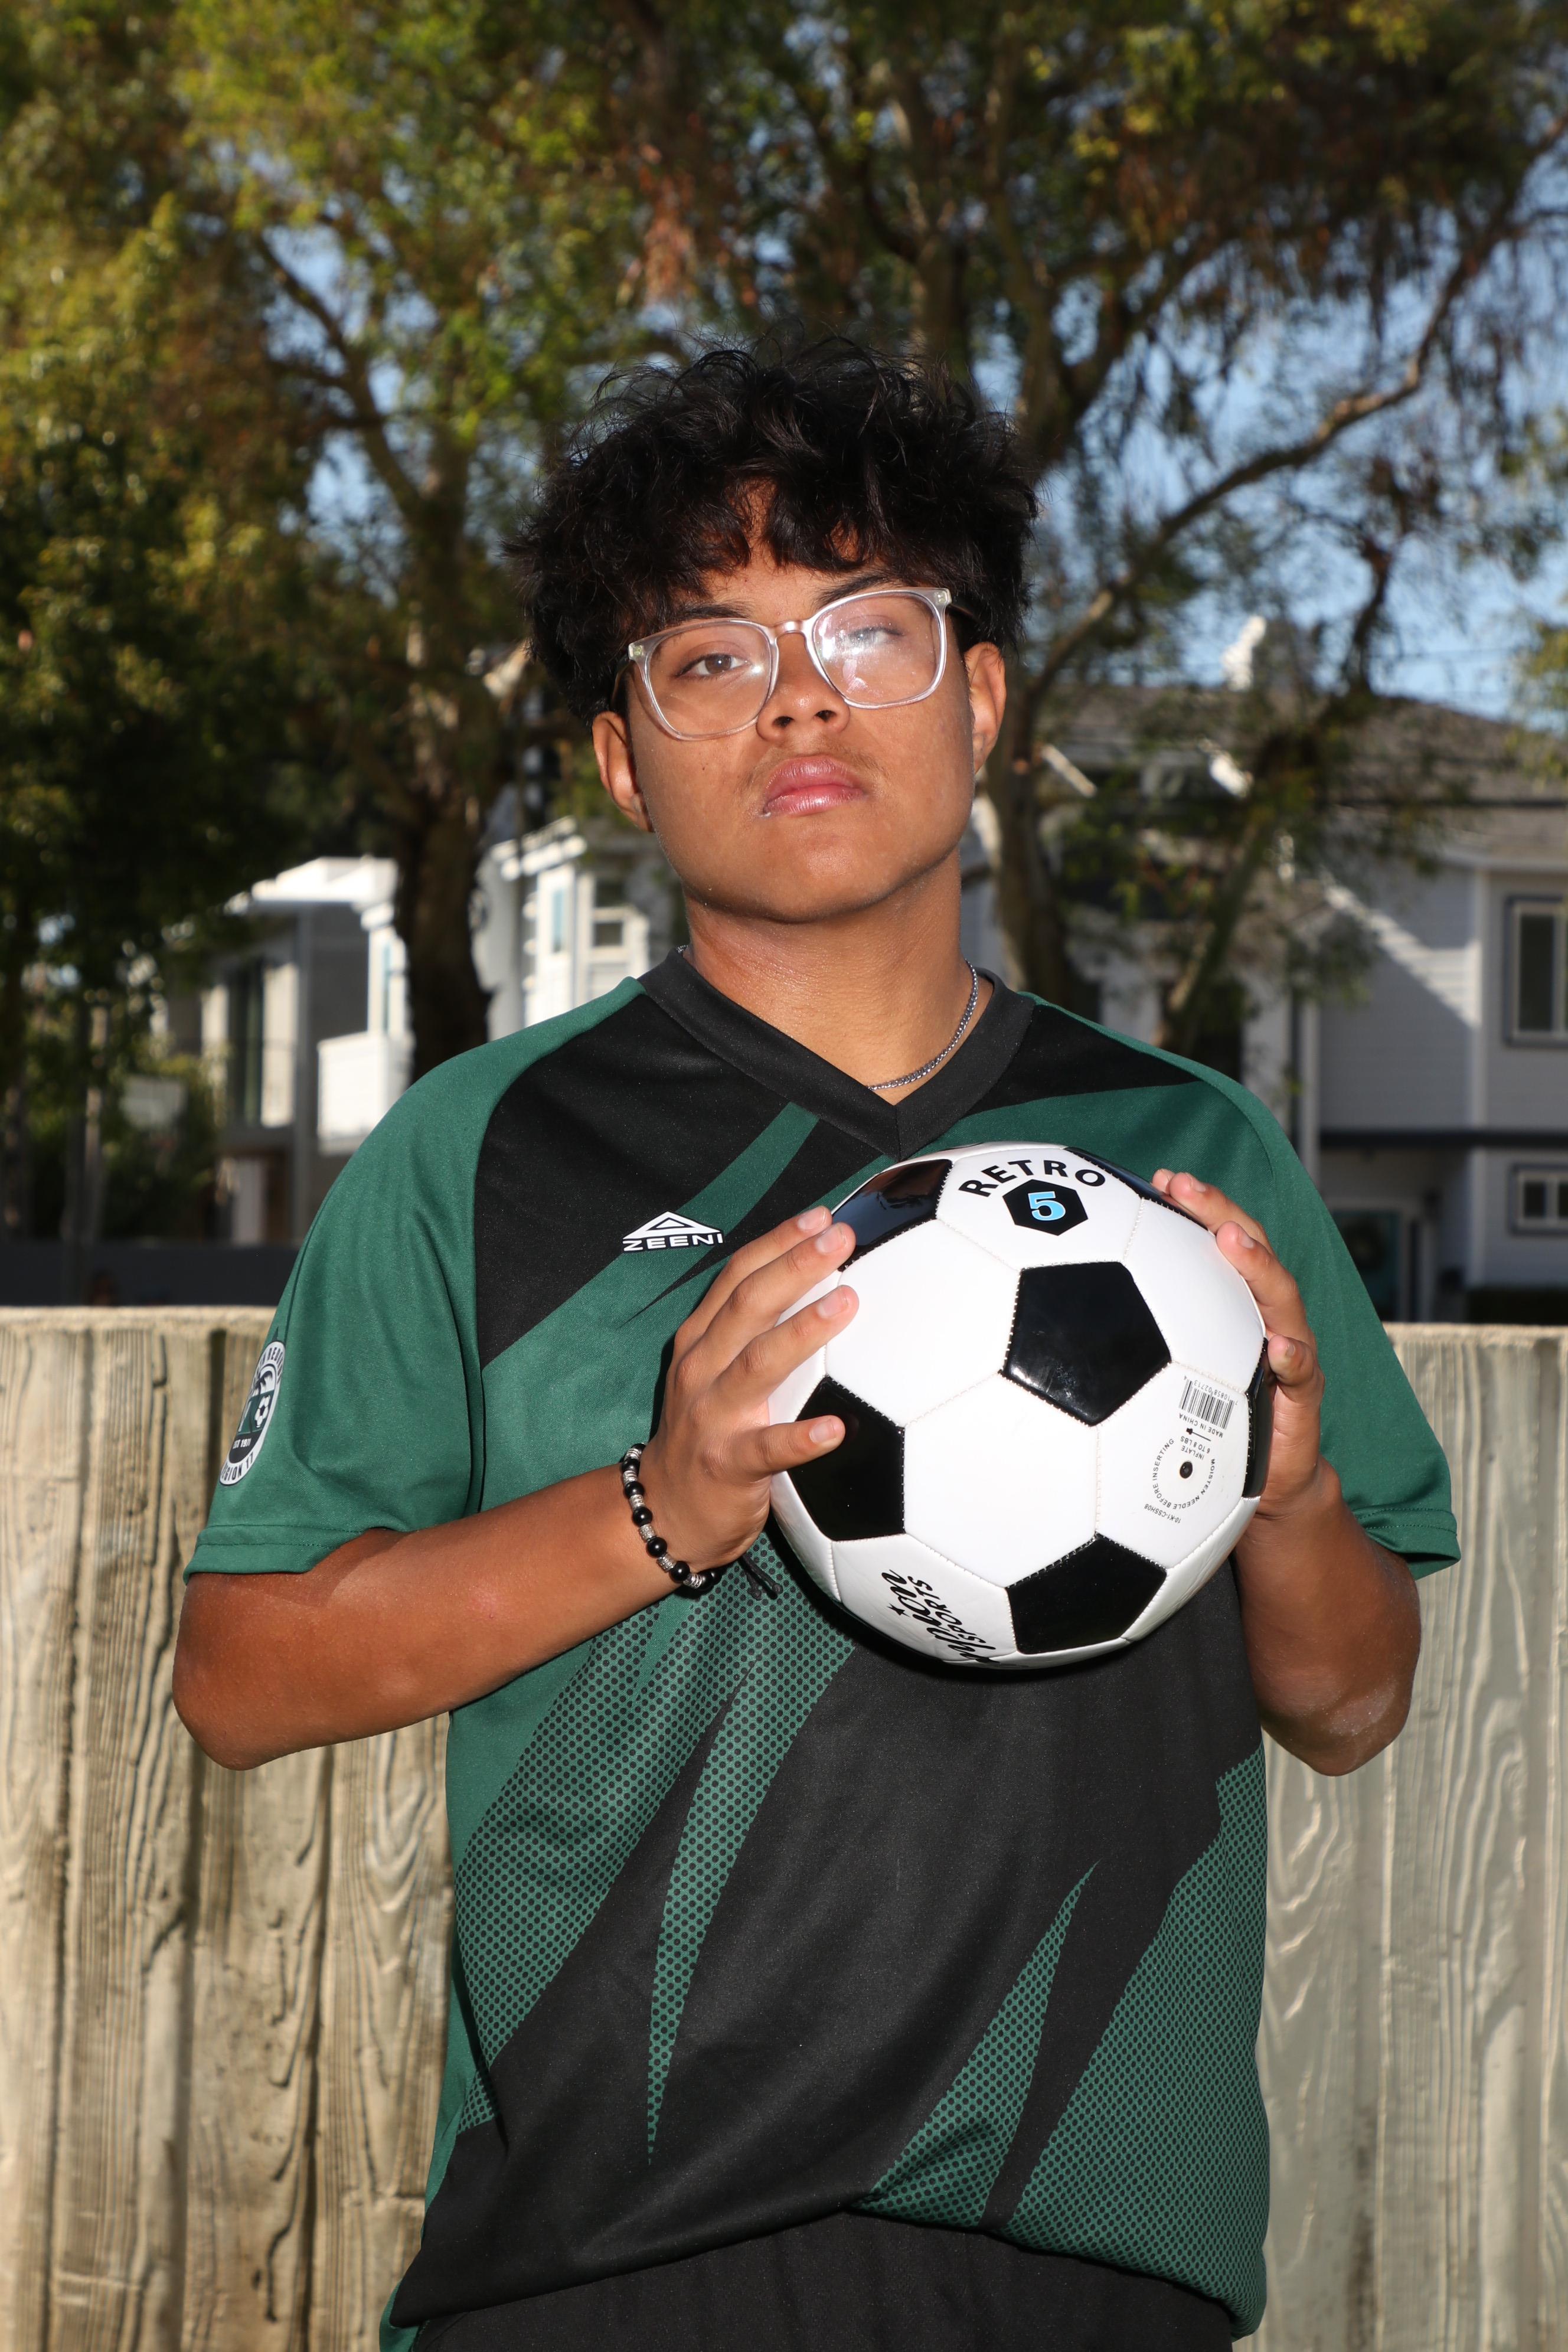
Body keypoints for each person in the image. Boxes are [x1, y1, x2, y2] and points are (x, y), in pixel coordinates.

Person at [174, 341, 1458, 2352]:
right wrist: (654, 1509)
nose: (798, 695)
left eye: (869, 630)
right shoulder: (481, 1151)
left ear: (983, 698)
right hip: (607, 2265)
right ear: (621, 761)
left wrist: (1286, 1499)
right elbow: (245, 1675)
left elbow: (1357, 1703)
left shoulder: (1189, 1155)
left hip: (1094, 2251)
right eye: (711, 653)